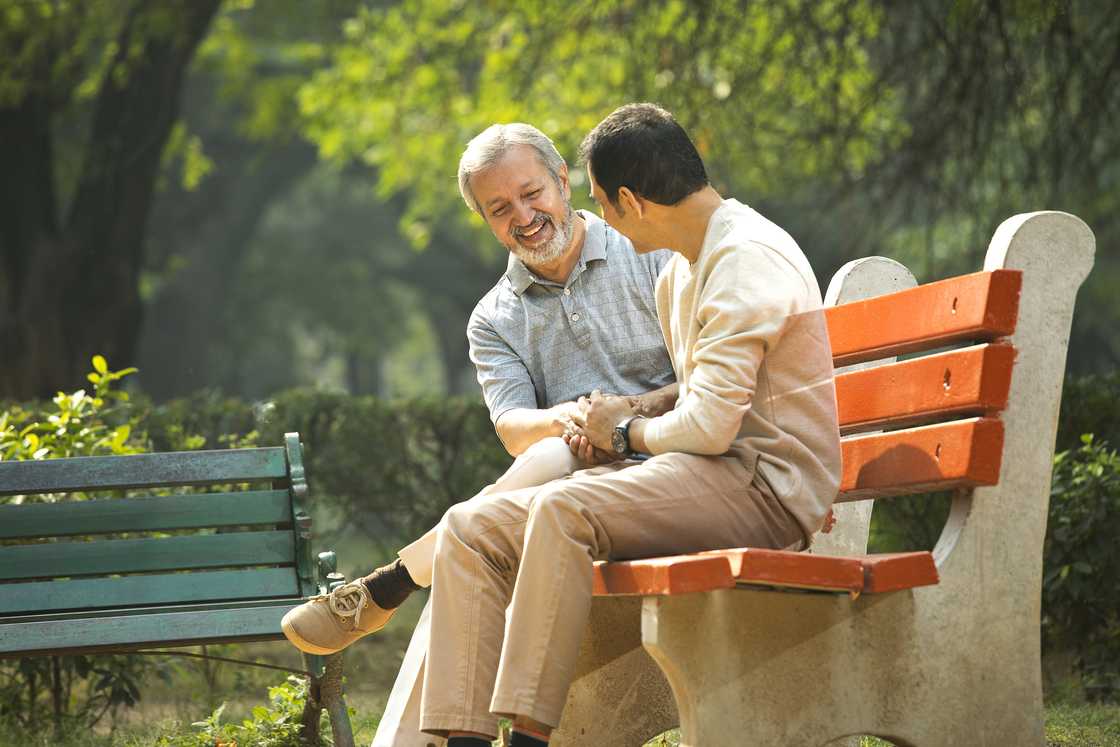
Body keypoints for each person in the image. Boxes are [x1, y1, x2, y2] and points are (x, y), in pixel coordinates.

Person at [416, 103, 842, 747]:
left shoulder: (743, 259)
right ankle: (464, 741)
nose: (600, 222)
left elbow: (711, 428)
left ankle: (526, 738)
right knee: (469, 529)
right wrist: (633, 417)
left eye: (599, 204)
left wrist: (622, 431)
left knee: (561, 509)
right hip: (700, 475)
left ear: (629, 201)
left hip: (764, 486)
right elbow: (697, 404)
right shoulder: (684, 268)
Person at [279, 123, 679, 743]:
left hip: (666, 466)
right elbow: (515, 427)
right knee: (502, 507)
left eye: (531, 193)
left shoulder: (647, 248)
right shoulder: (492, 317)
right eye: (501, 209)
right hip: (567, 484)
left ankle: (394, 582)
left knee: (468, 541)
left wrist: (624, 417)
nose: (524, 217)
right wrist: (576, 419)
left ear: (563, 182)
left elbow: (705, 377)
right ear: (487, 222)